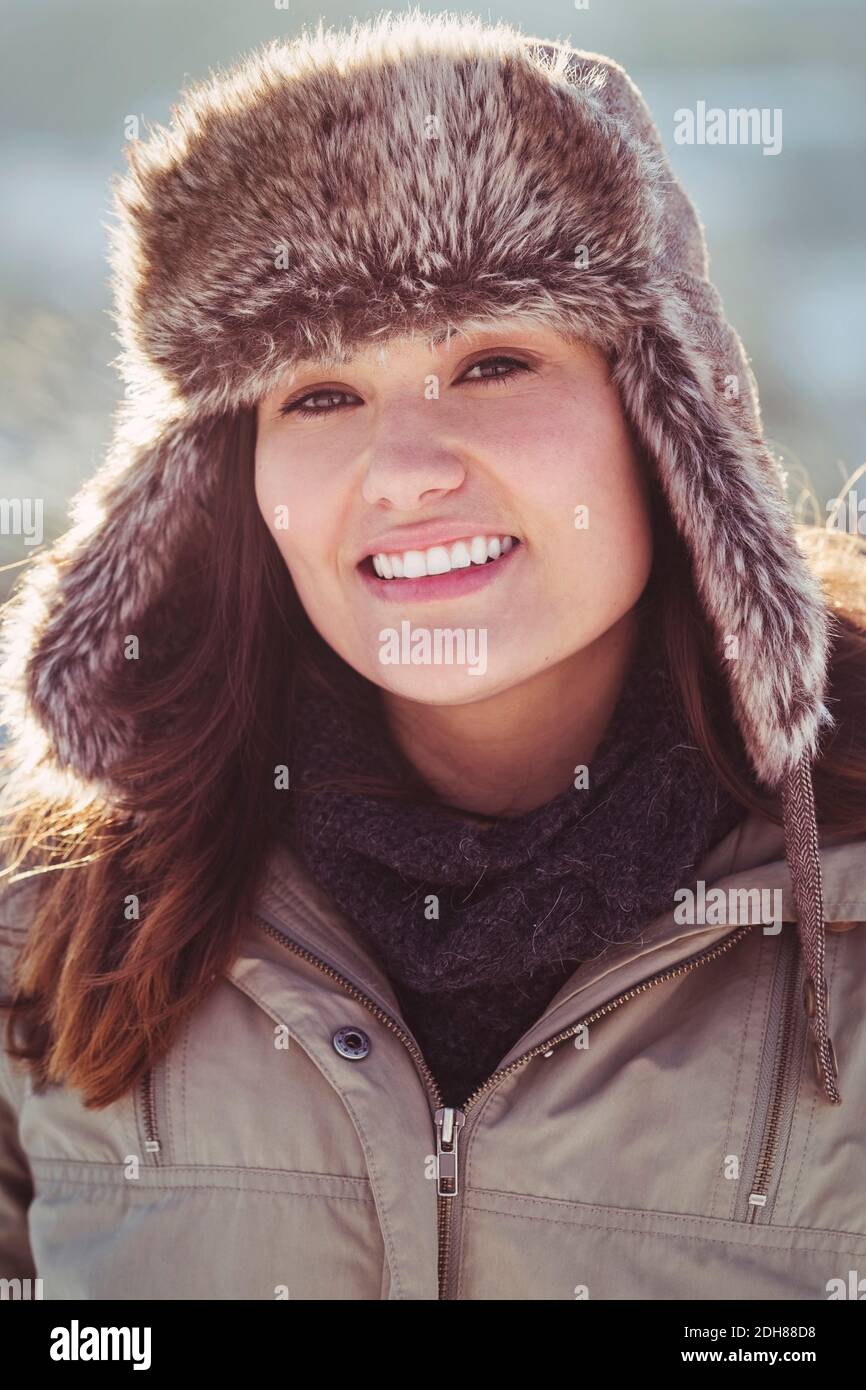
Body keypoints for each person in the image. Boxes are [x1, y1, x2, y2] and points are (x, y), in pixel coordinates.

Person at [1, 9, 865, 1301]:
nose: (403, 469)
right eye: (320, 393)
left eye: (494, 360)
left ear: (666, 426)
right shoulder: (56, 917)